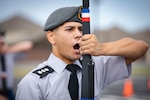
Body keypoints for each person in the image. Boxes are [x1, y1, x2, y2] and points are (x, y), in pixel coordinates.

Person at [15, 6, 148, 100]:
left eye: (81, 29)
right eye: (69, 29)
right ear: (51, 37)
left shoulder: (94, 66)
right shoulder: (33, 83)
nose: (78, 34)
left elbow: (141, 47)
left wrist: (101, 48)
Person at [0, 25, 33, 100]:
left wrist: (8, 50)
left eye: (2, 43)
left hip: (8, 91)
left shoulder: (8, 55)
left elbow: (28, 44)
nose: (2, 44)